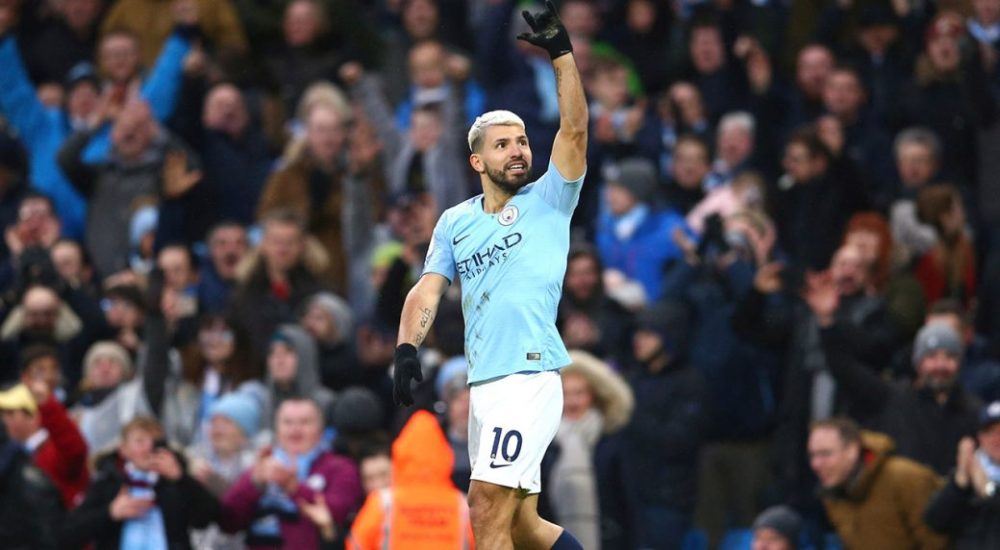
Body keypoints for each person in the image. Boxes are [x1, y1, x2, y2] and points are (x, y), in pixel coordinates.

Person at [392, 3, 588, 548]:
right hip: (485, 385)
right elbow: (428, 287)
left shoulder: (550, 199)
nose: (517, 150)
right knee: (523, 526)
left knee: (483, 505)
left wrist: (561, 56)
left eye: (522, 141)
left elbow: (573, 129)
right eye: (502, 144)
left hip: (527, 376)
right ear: (477, 161)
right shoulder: (455, 222)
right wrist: (407, 347)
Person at [808, 418, 947, 550]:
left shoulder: (905, 478)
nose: (816, 464)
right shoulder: (833, 494)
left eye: (825, 454)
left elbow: (938, 543)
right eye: (812, 455)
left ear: (852, 450)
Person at [346, 410, 475, 550]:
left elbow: (356, 544)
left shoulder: (384, 503)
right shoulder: (462, 506)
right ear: (444, 454)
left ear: (401, 453)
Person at [924, 400, 1000, 547]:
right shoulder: (967, 473)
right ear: (980, 438)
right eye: (990, 432)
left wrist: (988, 491)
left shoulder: (980, 479)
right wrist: (958, 484)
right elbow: (935, 522)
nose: (997, 439)